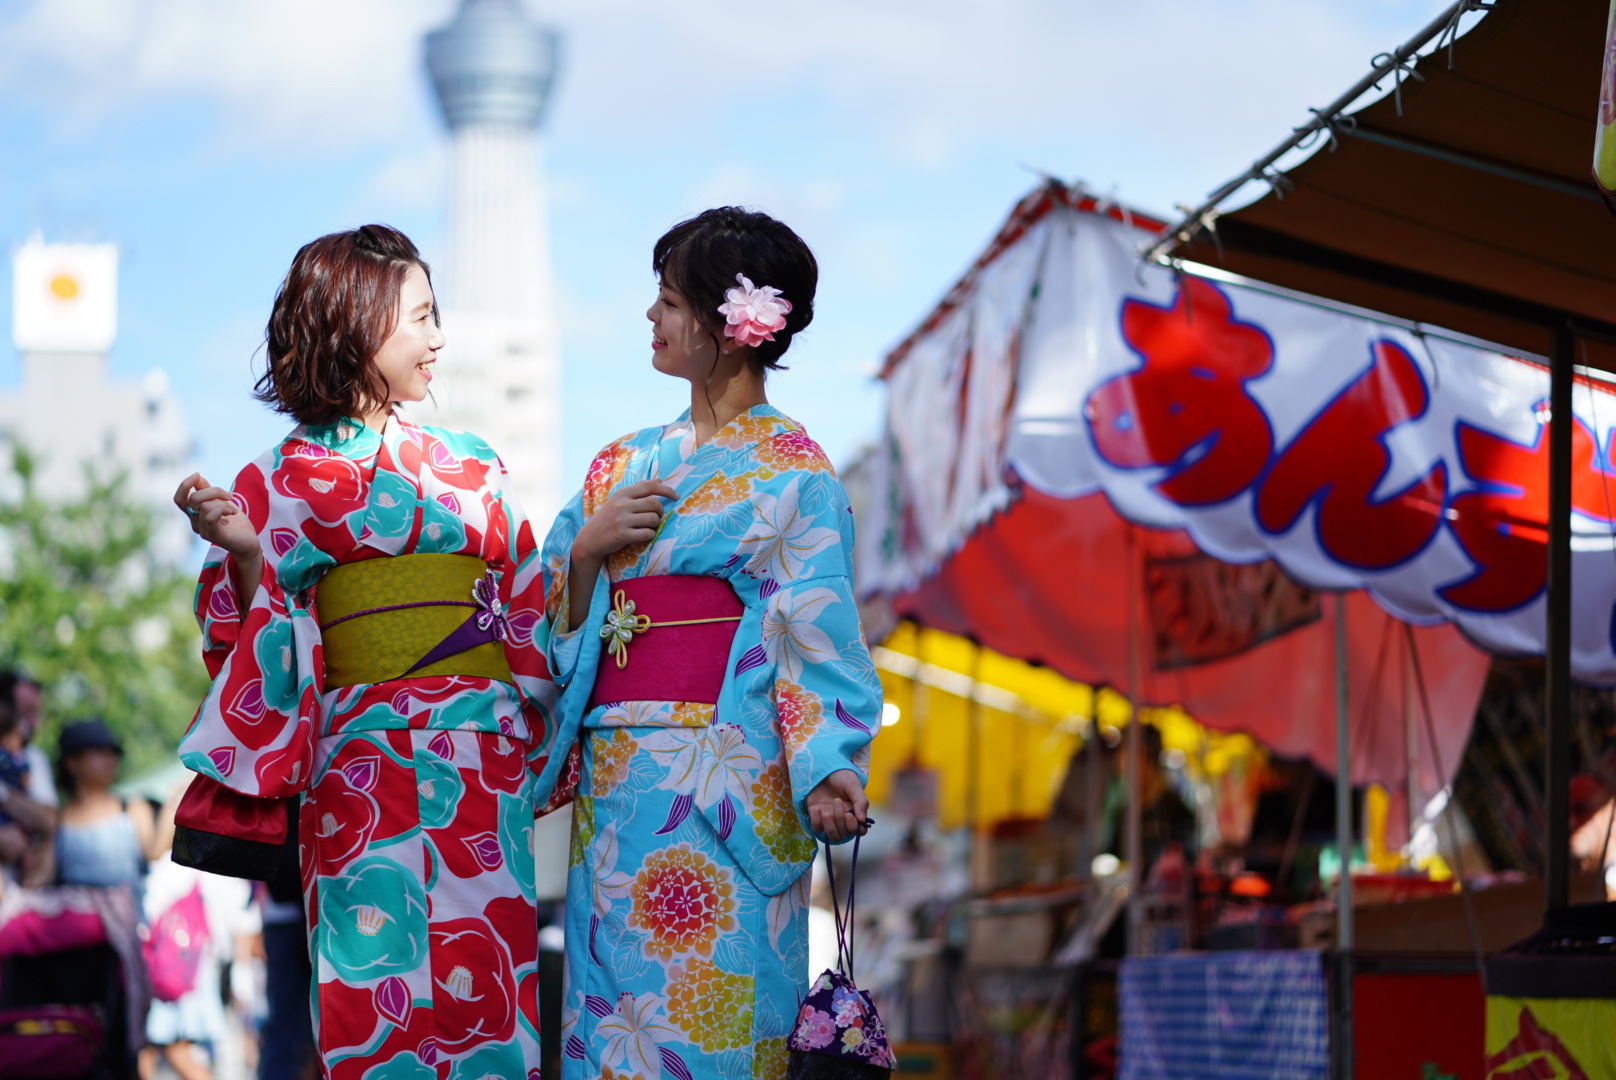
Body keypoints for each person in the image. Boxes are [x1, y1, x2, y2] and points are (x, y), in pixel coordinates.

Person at [173, 224, 558, 1080]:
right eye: (420, 318)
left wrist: (529, 735)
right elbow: (238, 642)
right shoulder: (274, 481)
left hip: (480, 762)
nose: (439, 339)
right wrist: (243, 555)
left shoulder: (473, 465)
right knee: (369, 995)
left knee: (491, 993)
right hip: (356, 768)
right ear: (356, 325)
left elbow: (528, 610)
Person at [541, 207, 880, 1080]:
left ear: (730, 328)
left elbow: (816, 632)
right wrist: (585, 552)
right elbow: (539, 614)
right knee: (615, 1029)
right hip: (619, 794)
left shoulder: (797, 474)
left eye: (668, 302)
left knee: (723, 1017)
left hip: (727, 783)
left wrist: (831, 765)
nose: (650, 319)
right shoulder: (617, 469)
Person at [54, 719, 169, 901]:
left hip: (129, 924)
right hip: (76, 926)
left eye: (112, 753)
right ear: (71, 763)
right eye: (100, 752)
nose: (110, 759)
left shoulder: (133, 807)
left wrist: (173, 808)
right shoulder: (55, 820)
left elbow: (154, 853)